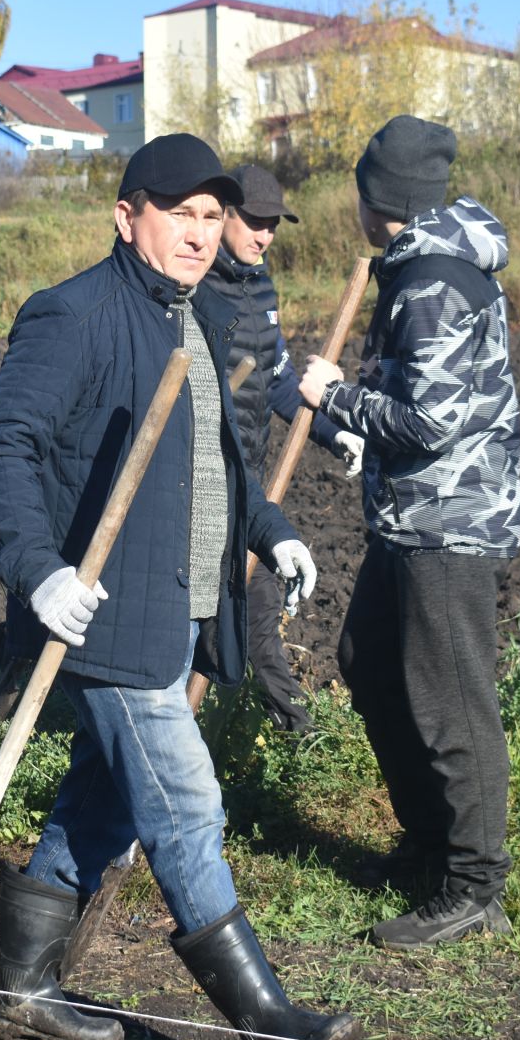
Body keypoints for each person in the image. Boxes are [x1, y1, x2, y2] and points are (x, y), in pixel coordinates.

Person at [0, 134, 360, 1040]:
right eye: (178, 213)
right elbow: (0, 450)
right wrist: (39, 571)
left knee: (103, 804)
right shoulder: (74, 315)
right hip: (104, 611)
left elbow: (215, 462)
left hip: (179, 607)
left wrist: (271, 530)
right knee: (186, 802)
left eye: (210, 215)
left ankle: (19, 989)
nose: (198, 232)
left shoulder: (197, 321)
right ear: (126, 216)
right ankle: (267, 1027)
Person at [296, 116, 520, 949]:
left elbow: (429, 420)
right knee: (369, 660)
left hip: (448, 518)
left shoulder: (430, 277)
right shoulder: (418, 267)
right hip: (412, 516)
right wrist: (358, 411)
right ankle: (431, 846)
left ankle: (473, 887)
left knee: (451, 697)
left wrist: (334, 398)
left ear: (376, 198)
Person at [202, 164, 364, 736]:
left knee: (260, 611)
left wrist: (331, 430)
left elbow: (274, 379)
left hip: (247, 482)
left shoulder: (259, 284)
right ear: (223, 214)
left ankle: (299, 736)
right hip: (197, 480)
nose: (264, 235)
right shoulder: (194, 284)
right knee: (201, 622)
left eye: (273, 225)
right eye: (255, 222)